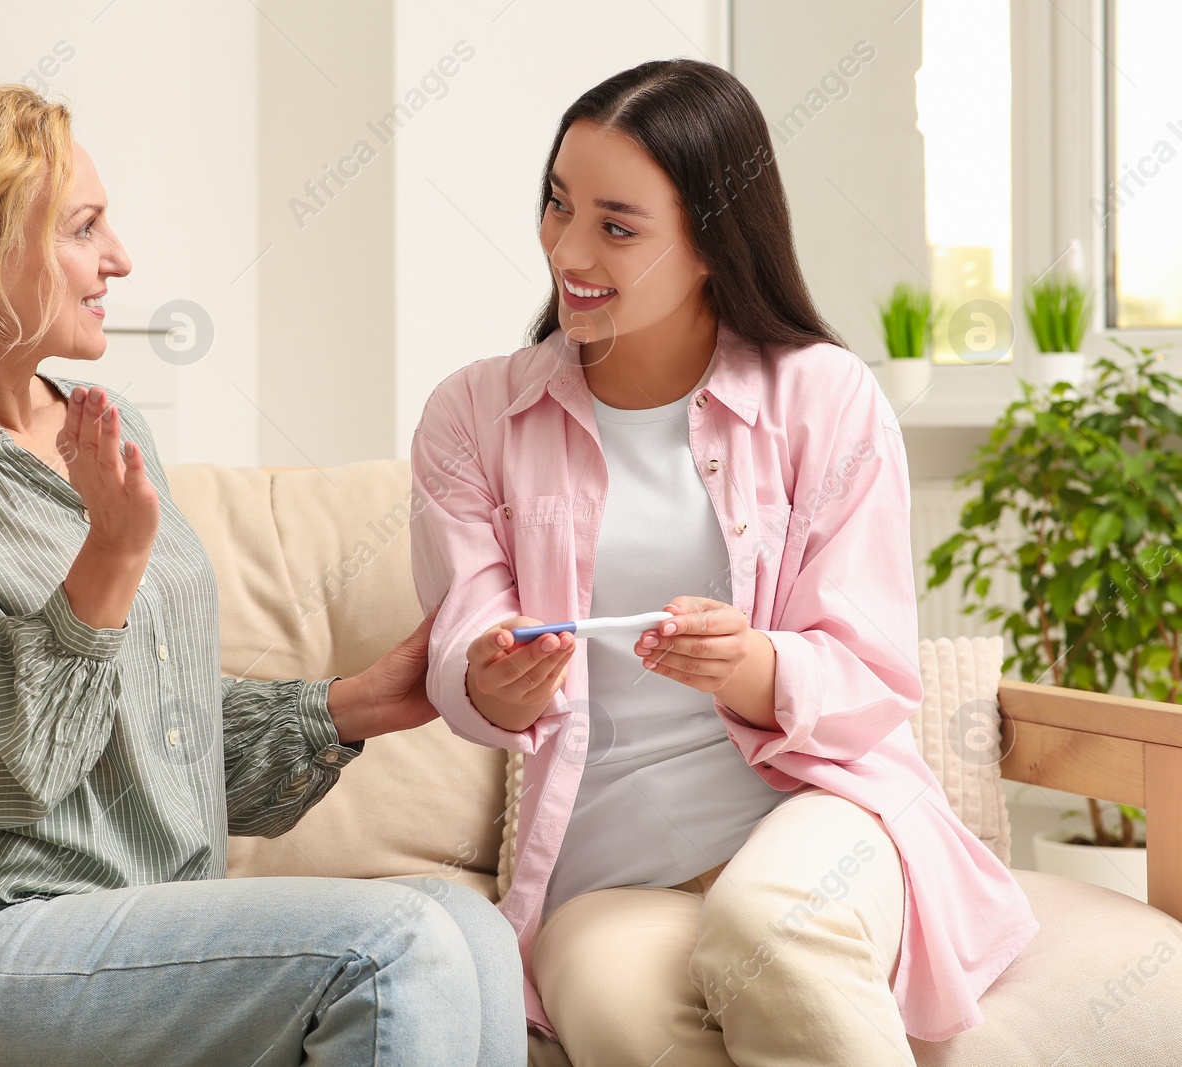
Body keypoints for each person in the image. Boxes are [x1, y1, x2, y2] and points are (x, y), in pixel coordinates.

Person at [0, 82, 526, 1067]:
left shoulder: (105, 422)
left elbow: (148, 734)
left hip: (141, 913)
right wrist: (110, 551)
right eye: (83, 228)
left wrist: (351, 705)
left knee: (467, 929)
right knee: (394, 946)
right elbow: (13, 775)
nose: (119, 260)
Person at [408, 59, 1038, 1066]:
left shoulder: (823, 397)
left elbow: (872, 671)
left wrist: (749, 665)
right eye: (557, 204)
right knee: (624, 1020)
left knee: (770, 928)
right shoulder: (475, 416)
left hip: (814, 810)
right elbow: (463, 646)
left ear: (711, 241)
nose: (566, 248)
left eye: (617, 225)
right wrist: (490, 676)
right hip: (609, 873)